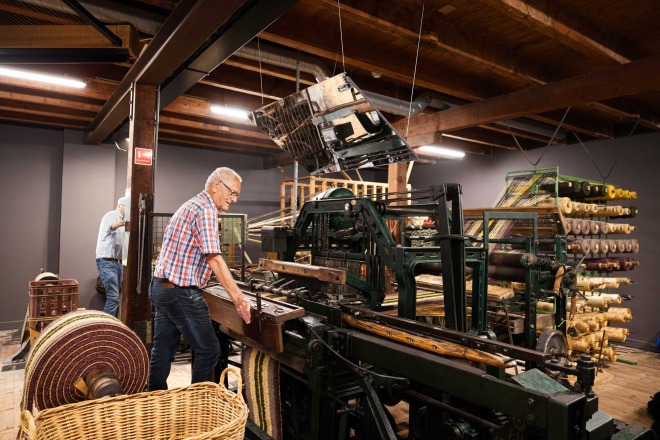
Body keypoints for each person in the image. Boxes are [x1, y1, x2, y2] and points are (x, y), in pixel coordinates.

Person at [147, 167, 252, 391]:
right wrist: (239, 298)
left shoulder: (191, 205)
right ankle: (198, 406)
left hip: (162, 287)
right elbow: (214, 258)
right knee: (209, 350)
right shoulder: (205, 210)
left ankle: (153, 399)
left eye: (236, 195)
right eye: (232, 193)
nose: (234, 199)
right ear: (217, 185)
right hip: (180, 291)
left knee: (162, 349)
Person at [95, 196, 128, 317]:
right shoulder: (111, 215)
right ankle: (105, 325)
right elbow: (112, 226)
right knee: (113, 298)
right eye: (127, 207)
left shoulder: (122, 220)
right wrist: (123, 223)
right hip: (107, 261)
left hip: (117, 263)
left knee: (116, 297)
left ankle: (111, 323)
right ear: (120, 206)